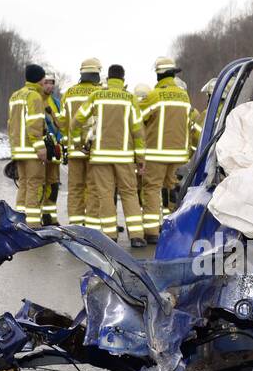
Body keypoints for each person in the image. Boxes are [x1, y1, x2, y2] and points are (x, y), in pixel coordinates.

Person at [73, 64, 145, 244]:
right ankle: (136, 236)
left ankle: (110, 236)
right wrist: (141, 158)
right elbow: (138, 130)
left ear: (108, 78)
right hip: (124, 156)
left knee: (104, 194)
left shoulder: (96, 96)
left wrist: (77, 141)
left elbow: (76, 121)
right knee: (129, 193)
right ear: (123, 79)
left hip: (100, 157)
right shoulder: (130, 99)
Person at [136, 57, 196, 244]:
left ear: (158, 74)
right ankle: (175, 227)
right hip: (179, 154)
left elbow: (138, 118)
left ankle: (152, 231)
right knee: (174, 189)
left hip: (156, 153)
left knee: (152, 189)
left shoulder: (154, 96)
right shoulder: (184, 96)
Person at [61, 58, 104, 225]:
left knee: (75, 188)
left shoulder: (69, 93)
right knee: (93, 188)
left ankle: (76, 224)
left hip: (74, 149)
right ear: (97, 73)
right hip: (95, 149)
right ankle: (92, 224)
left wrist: (67, 144)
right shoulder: (100, 93)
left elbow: (65, 123)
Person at [7, 64, 52, 217]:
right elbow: (34, 124)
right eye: (43, 79)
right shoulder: (34, 96)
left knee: (23, 185)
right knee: (34, 185)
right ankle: (32, 224)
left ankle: (19, 221)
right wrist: (40, 148)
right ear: (39, 79)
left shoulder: (15, 96)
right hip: (31, 150)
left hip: (19, 150)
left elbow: (10, 124)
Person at [39, 73, 65, 225]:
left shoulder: (56, 102)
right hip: (42, 150)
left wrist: (60, 142)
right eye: (46, 82)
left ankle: (50, 216)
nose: (49, 85)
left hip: (54, 151)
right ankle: (38, 216)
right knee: (40, 185)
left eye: (52, 83)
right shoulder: (36, 100)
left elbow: (61, 123)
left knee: (53, 185)